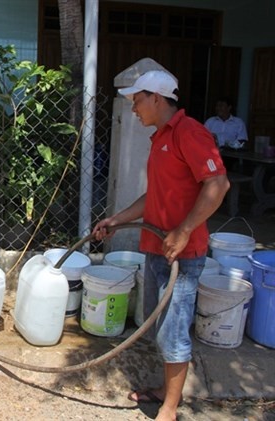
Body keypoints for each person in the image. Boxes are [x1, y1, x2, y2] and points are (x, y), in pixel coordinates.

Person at [92, 70, 229, 421]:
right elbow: (155, 195)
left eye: (138, 100)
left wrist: (183, 231)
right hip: (156, 247)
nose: (134, 108)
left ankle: (169, 408)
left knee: (174, 329)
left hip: (182, 254)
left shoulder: (190, 133)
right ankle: (164, 391)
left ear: (156, 97)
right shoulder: (160, 138)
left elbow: (218, 184)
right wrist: (116, 219)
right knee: (159, 326)